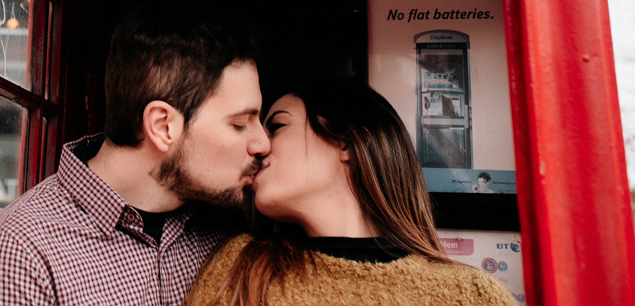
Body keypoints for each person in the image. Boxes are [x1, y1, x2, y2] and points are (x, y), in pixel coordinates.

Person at [0, 8, 270, 305]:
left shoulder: (229, 230)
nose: (262, 143)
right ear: (163, 126)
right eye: (240, 124)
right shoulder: (21, 252)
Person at [185, 79, 516, 306]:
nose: (258, 146)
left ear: (346, 142)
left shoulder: (473, 294)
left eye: (277, 126)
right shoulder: (241, 267)